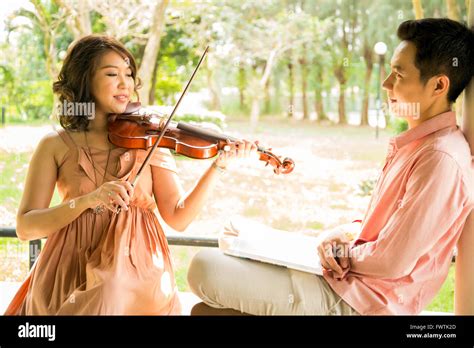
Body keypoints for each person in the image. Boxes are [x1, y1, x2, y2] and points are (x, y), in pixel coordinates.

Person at [187, 18, 474, 315]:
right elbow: (388, 227)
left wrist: (340, 254)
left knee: (205, 268)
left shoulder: (440, 158)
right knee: (206, 308)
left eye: (399, 75)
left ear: (439, 85)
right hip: (349, 282)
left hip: (366, 300)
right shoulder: (419, 145)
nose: (386, 83)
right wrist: (341, 234)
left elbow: (393, 260)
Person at [4, 34, 257, 315]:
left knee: (112, 288)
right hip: (70, 266)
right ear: (84, 79)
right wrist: (87, 200)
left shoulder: (149, 139)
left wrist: (218, 165)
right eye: (112, 73)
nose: (125, 84)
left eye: (129, 74)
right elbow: (26, 228)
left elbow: (178, 216)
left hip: (138, 269)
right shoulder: (55, 144)